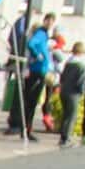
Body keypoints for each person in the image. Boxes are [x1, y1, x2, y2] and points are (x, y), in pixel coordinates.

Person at [20, 13, 54, 141]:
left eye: (52, 22)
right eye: (48, 21)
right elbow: (31, 43)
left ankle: (27, 128)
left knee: (33, 102)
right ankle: (26, 129)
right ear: (44, 21)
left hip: (41, 70)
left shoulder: (45, 35)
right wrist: (37, 55)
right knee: (31, 101)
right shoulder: (41, 33)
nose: (49, 23)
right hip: (37, 70)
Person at [56, 45, 85, 147]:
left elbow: (62, 78)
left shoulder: (68, 63)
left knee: (65, 115)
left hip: (64, 91)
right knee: (71, 115)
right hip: (73, 93)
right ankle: (66, 138)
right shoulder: (80, 65)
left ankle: (62, 137)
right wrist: (82, 92)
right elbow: (80, 82)